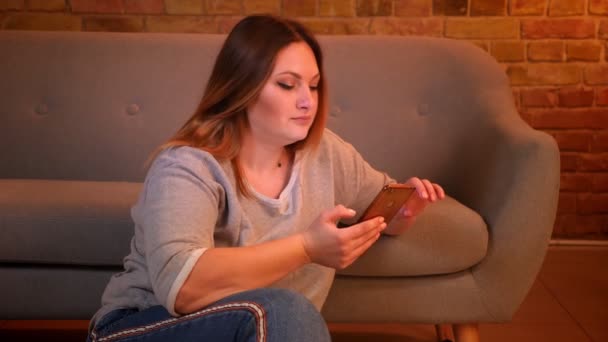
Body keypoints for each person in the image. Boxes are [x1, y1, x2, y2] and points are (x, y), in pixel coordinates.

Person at [87, 14, 445, 342]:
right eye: (288, 86)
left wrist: (404, 212)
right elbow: (182, 286)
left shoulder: (326, 154)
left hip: (261, 333)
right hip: (142, 326)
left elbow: (378, 207)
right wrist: (307, 247)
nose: (308, 101)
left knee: (278, 314)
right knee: (281, 309)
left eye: (314, 86)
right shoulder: (189, 164)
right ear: (242, 88)